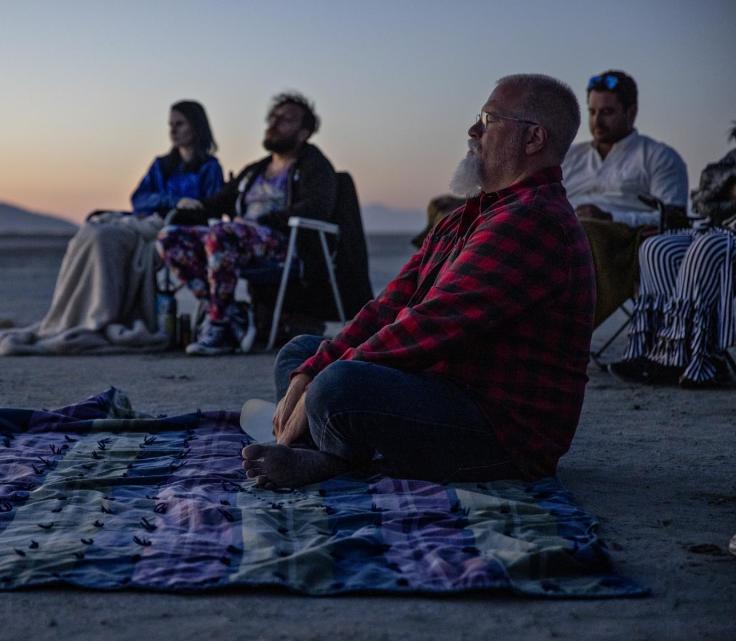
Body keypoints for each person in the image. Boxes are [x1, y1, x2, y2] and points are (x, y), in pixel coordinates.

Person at [242, 74, 594, 489]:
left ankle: (333, 456)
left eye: (489, 119)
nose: (473, 130)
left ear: (533, 138)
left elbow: (432, 324)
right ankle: (330, 447)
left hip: (498, 430)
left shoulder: (534, 220)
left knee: (337, 384)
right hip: (441, 384)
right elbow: (389, 306)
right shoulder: (464, 219)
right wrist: (310, 371)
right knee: (301, 352)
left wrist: (326, 375)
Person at [0, 100, 224, 356]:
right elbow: (139, 199)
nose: (173, 131)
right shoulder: (162, 165)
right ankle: (81, 314)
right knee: (93, 232)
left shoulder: (209, 168)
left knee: (104, 238)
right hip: (143, 222)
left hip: (172, 232)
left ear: (196, 126)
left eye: (179, 124)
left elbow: (210, 209)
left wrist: (184, 209)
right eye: (170, 125)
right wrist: (173, 201)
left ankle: (100, 313)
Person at [157, 92, 337, 355]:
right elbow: (221, 201)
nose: (274, 124)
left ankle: (219, 327)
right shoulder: (256, 170)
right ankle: (227, 313)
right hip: (238, 239)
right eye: (272, 118)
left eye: (285, 120)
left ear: (303, 133)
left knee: (223, 233)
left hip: (287, 244)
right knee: (170, 237)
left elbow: (316, 207)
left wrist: (265, 220)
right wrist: (192, 210)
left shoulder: (313, 166)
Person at [609, 123, 736, 387]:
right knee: (658, 249)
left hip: (722, 239)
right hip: (723, 229)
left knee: (707, 247)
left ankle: (707, 358)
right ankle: (664, 351)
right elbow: (703, 196)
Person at [562, 70, 689, 327]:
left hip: (623, 243)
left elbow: (673, 219)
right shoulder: (571, 157)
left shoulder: (657, 156)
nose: (597, 121)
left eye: (607, 112)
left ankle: (565, 329)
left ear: (631, 112)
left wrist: (610, 217)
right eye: (592, 112)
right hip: (562, 234)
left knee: (583, 233)